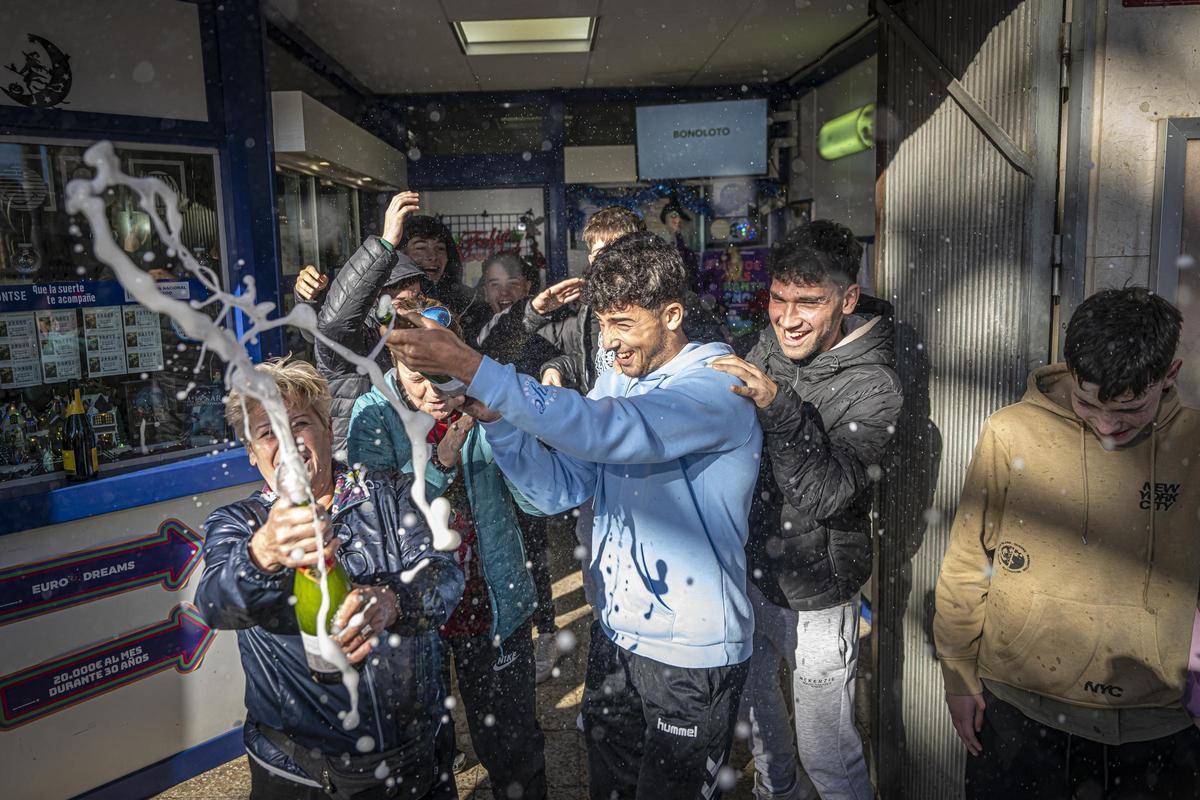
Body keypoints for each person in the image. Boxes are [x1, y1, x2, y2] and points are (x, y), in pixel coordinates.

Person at [385, 231, 763, 799]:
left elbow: (607, 430)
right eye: (603, 324)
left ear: (674, 314)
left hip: (690, 650)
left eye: (624, 325)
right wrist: (499, 422)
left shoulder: (716, 386)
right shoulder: (620, 376)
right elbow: (561, 489)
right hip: (616, 634)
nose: (610, 345)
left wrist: (474, 364)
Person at [934, 286, 1200, 799]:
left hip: (1157, 722)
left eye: (1128, 411)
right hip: (1021, 707)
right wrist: (958, 674)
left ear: (1169, 375)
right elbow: (969, 563)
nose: (1105, 425)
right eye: (1087, 402)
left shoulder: (1194, 444)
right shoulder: (1011, 432)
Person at [194, 357, 464, 800]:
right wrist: (263, 553)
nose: (286, 441)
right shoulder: (240, 524)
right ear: (251, 452)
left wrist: (391, 601)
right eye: (267, 432)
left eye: (298, 423)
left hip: (406, 757)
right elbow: (216, 603)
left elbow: (445, 577)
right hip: (298, 769)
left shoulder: (392, 493)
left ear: (327, 431)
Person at [711, 221, 899, 800]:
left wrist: (780, 407)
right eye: (779, 299)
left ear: (846, 299)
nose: (788, 318)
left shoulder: (877, 385)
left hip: (818, 597)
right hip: (748, 579)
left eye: (809, 303)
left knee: (827, 755)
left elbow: (828, 494)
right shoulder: (767, 343)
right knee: (766, 741)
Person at [346, 296, 546, 799]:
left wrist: (505, 430)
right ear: (396, 361)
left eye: (443, 376)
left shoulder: (484, 399)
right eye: (420, 380)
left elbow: (537, 501)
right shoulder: (373, 415)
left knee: (512, 745)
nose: (437, 393)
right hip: (414, 610)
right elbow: (380, 526)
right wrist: (439, 463)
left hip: (492, 597)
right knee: (423, 752)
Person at [463, 251, 564, 682]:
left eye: (511, 284)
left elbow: (558, 381)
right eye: (493, 285)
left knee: (533, 553)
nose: (502, 293)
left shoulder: (544, 338)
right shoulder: (474, 337)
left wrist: (555, 372)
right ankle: (500, 633)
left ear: (527, 288)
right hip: (480, 462)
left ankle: (545, 632)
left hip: (525, 463)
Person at [526, 206, 725, 392]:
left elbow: (710, 357)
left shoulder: (669, 299)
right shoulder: (590, 307)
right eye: (601, 254)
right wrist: (556, 367)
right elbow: (591, 361)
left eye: (619, 250)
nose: (610, 261)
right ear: (590, 259)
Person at [315, 192, 425, 455]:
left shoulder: (419, 340)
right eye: (397, 289)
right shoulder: (354, 343)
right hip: (355, 473)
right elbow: (334, 324)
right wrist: (386, 244)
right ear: (374, 296)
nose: (410, 297)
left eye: (415, 291)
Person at [397, 215, 476, 317]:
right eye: (421, 248)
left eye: (440, 248)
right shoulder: (388, 299)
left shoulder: (469, 304)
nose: (433, 256)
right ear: (401, 254)